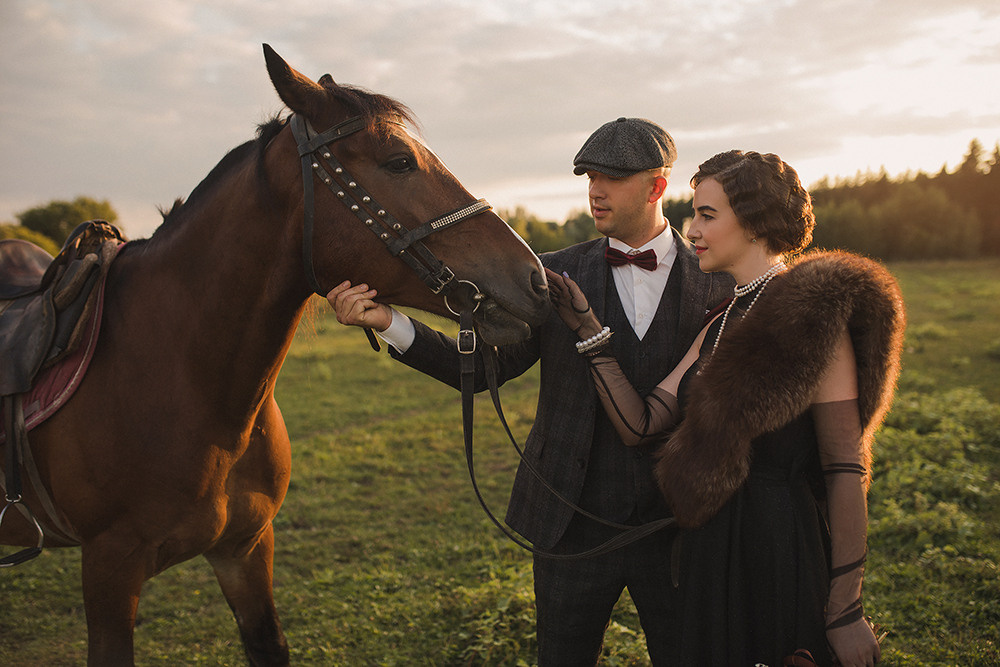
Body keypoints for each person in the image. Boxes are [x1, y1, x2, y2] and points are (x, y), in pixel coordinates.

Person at [326, 117, 733, 665]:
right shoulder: (551, 273)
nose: (595, 191)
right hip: (569, 523)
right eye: (589, 177)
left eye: (611, 179)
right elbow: (483, 369)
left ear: (656, 186)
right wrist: (389, 322)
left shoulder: (718, 282)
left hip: (679, 525)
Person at [547, 150, 905, 666]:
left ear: (756, 224)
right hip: (709, 551)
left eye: (707, 215)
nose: (691, 229)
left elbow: (846, 469)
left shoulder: (812, 317)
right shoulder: (722, 320)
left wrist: (846, 609)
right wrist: (589, 333)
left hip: (776, 546)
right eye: (694, 213)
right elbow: (639, 425)